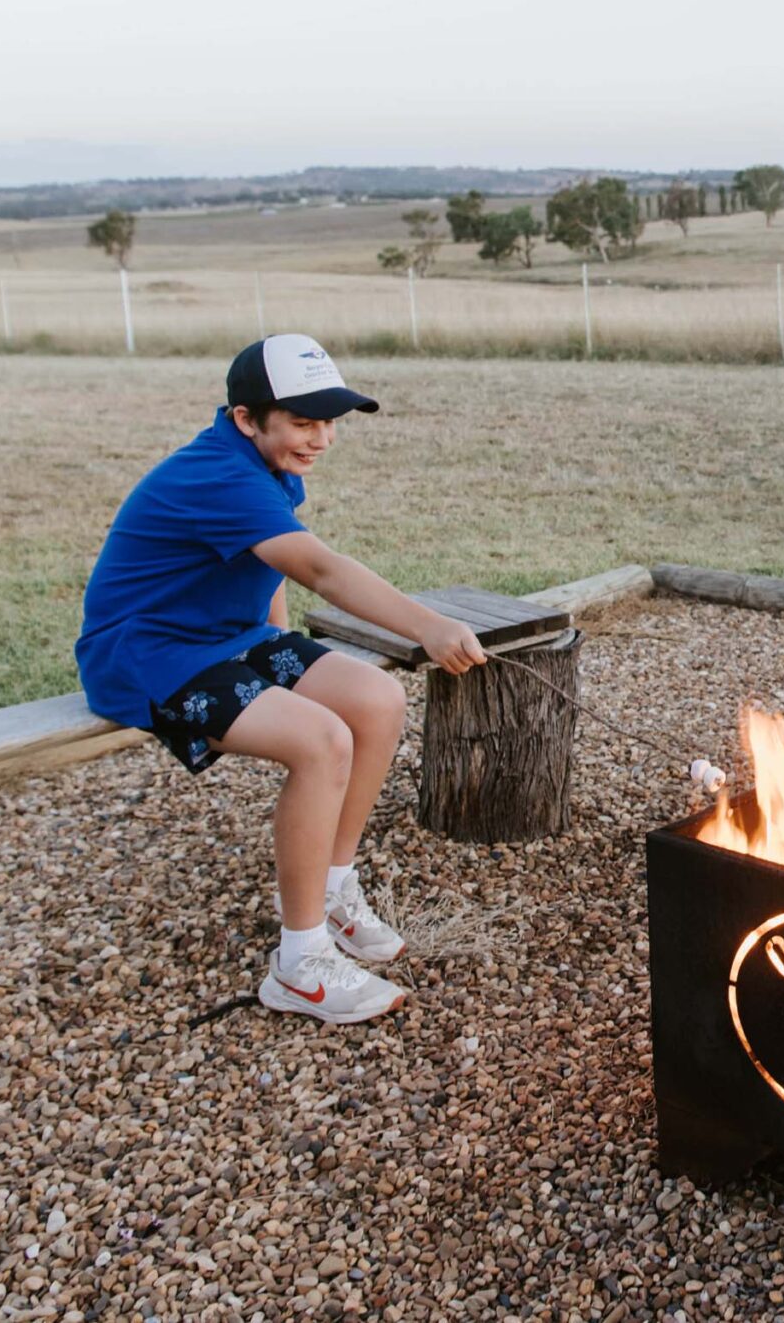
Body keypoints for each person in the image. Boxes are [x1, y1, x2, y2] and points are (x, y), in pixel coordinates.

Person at [76, 334, 488, 1025]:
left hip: (227, 635)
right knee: (321, 740)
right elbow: (317, 567)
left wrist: (278, 645)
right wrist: (427, 624)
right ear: (246, 418)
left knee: (377, 699)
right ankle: (299, 963)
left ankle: (331, 887)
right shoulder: (217, 474)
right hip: (147, 651)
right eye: (303, 421)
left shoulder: (264, 463)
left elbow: (262, 564)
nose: (321, 438)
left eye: (329, 421)